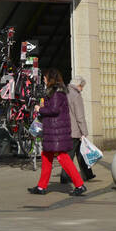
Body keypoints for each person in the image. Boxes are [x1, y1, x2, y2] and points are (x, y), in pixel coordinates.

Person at [29, 67, 86, 196]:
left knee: (62, 157)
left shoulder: (56, 93)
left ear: (50, 79)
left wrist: (40, 109)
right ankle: (41, 186)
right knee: (46, 156)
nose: (43, 79)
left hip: (56, 132)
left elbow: (54, 110)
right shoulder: (55, 92)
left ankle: (79, 184)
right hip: (53, 130)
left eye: (45, 77)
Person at [59, 75, 96, 184]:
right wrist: (84, 131)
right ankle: (64, 177)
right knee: (70, 156)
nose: (82, 89)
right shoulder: (76, 96)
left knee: (81, 153)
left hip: (66, 128)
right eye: (82, 86)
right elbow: (80, 116)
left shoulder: (64, 93)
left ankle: (88, 174)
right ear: (78, 85)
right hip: (75, 131)